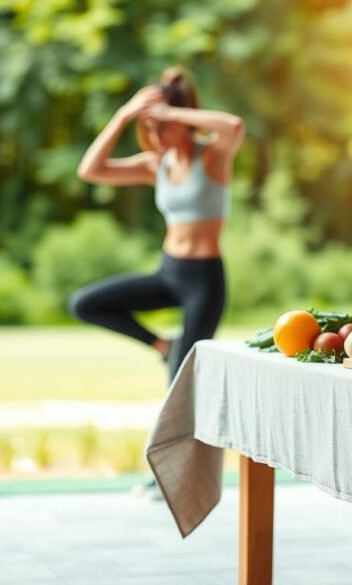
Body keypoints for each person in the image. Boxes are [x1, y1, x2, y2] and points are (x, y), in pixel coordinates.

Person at [71, 67, 243, 380]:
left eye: (163, 127)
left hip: (204, 279)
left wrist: (171, 111)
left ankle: (187, 421)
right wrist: (123, 115)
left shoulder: (212, 157)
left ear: (181, 119)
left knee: (182, 378)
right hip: (168, 272)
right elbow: (90, 170)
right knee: (85, 303)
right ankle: (163, 345)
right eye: (149, 128)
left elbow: (233, 125)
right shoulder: (155, 165)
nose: (155, 137)